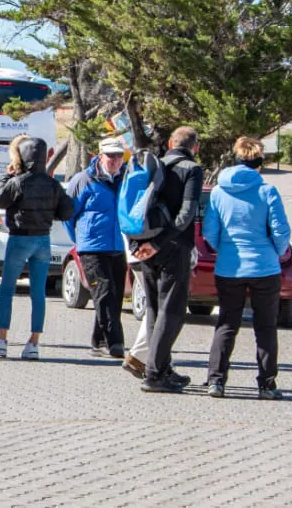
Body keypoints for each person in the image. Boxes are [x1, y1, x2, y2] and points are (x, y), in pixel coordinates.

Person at [202, 136, 289, 400]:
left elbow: (210, 232)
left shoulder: (218, 191)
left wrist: (224, 249)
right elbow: (281, 230)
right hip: (264, 266)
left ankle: (216, 380)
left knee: (227, 323)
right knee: (265, 326)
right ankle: (266, 384)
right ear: (259, 161)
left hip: (230, 266)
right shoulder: (267, 191)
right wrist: (274, 251)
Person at [127, 127, 203, 389]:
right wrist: (159, 242)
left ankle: (162, 367)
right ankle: (155, 374)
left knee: (154, 310)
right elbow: (186, 213)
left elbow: (135, 207)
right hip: (173, 246)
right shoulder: (191, 169)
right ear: (196, 147)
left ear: (171, 143)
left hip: (145, 246)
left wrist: (141, 244)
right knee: (171, 311)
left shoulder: (153, 166)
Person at [0, 137, 74, 360]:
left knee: (7, 290)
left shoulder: (18, 181)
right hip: (42, 239)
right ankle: (33, 342)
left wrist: (8, 175)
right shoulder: (53, 184)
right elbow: (66, 212)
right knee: (38, 294)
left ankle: (2, 339)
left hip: (19, 238)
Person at [64, 136, 128, 361]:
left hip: (118, 246)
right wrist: (81, 240)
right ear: (100, 156)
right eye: (110, 155)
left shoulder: (126, 178)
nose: (115, 160)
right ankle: (115, 342)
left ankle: (98, 342)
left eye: (119, 156)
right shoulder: (84, 180)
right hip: (92, 247)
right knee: (104, 292)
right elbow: (67, 214)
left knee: (115, 295)